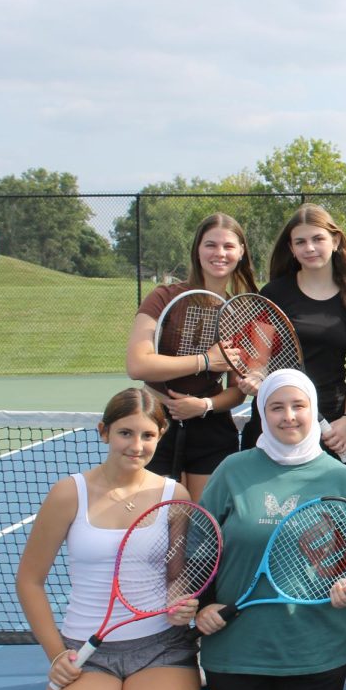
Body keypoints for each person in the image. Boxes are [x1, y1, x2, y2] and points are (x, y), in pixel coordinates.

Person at [16, 389, 200, 690]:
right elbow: (29, 581)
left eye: (148, 435)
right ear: (103, 432)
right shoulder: (69, 494)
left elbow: (176, 577)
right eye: (125, 433)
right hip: (86, 652)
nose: (137, 446)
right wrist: (55, 656)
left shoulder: (174, 496)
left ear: (160, 437)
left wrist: (181, 602)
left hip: (161, 648)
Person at [195, 369, 346, 690]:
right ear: (262, 413)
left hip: (315, 644)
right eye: (276, 407)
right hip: (236, 642)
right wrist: (203, 606)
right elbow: (200, 547)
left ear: (313, 410)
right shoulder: (232, 470)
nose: (288, 416)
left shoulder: (339, 477)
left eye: (298, 406)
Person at [125, 212, 258, 501]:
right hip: (155, 421)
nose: (219, 253)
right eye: (210, 245)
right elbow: (138, 364)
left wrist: (204, 405)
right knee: (155, 521)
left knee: (205, 525)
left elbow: (237, 391)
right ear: (197, 249)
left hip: (211, 429)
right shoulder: (163, 297)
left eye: (228, 246)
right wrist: (206, 361)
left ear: (241, 252)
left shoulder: (246, 310)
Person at [240, 203, 346, 472]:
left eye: (318, 239)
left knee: (329, 514)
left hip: (331, 421)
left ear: (335, 241)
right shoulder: (274, 294)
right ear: (291, 248)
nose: (309, 248)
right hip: (277, 418)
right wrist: (254, 379)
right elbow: (258, 362)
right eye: (300, 242)